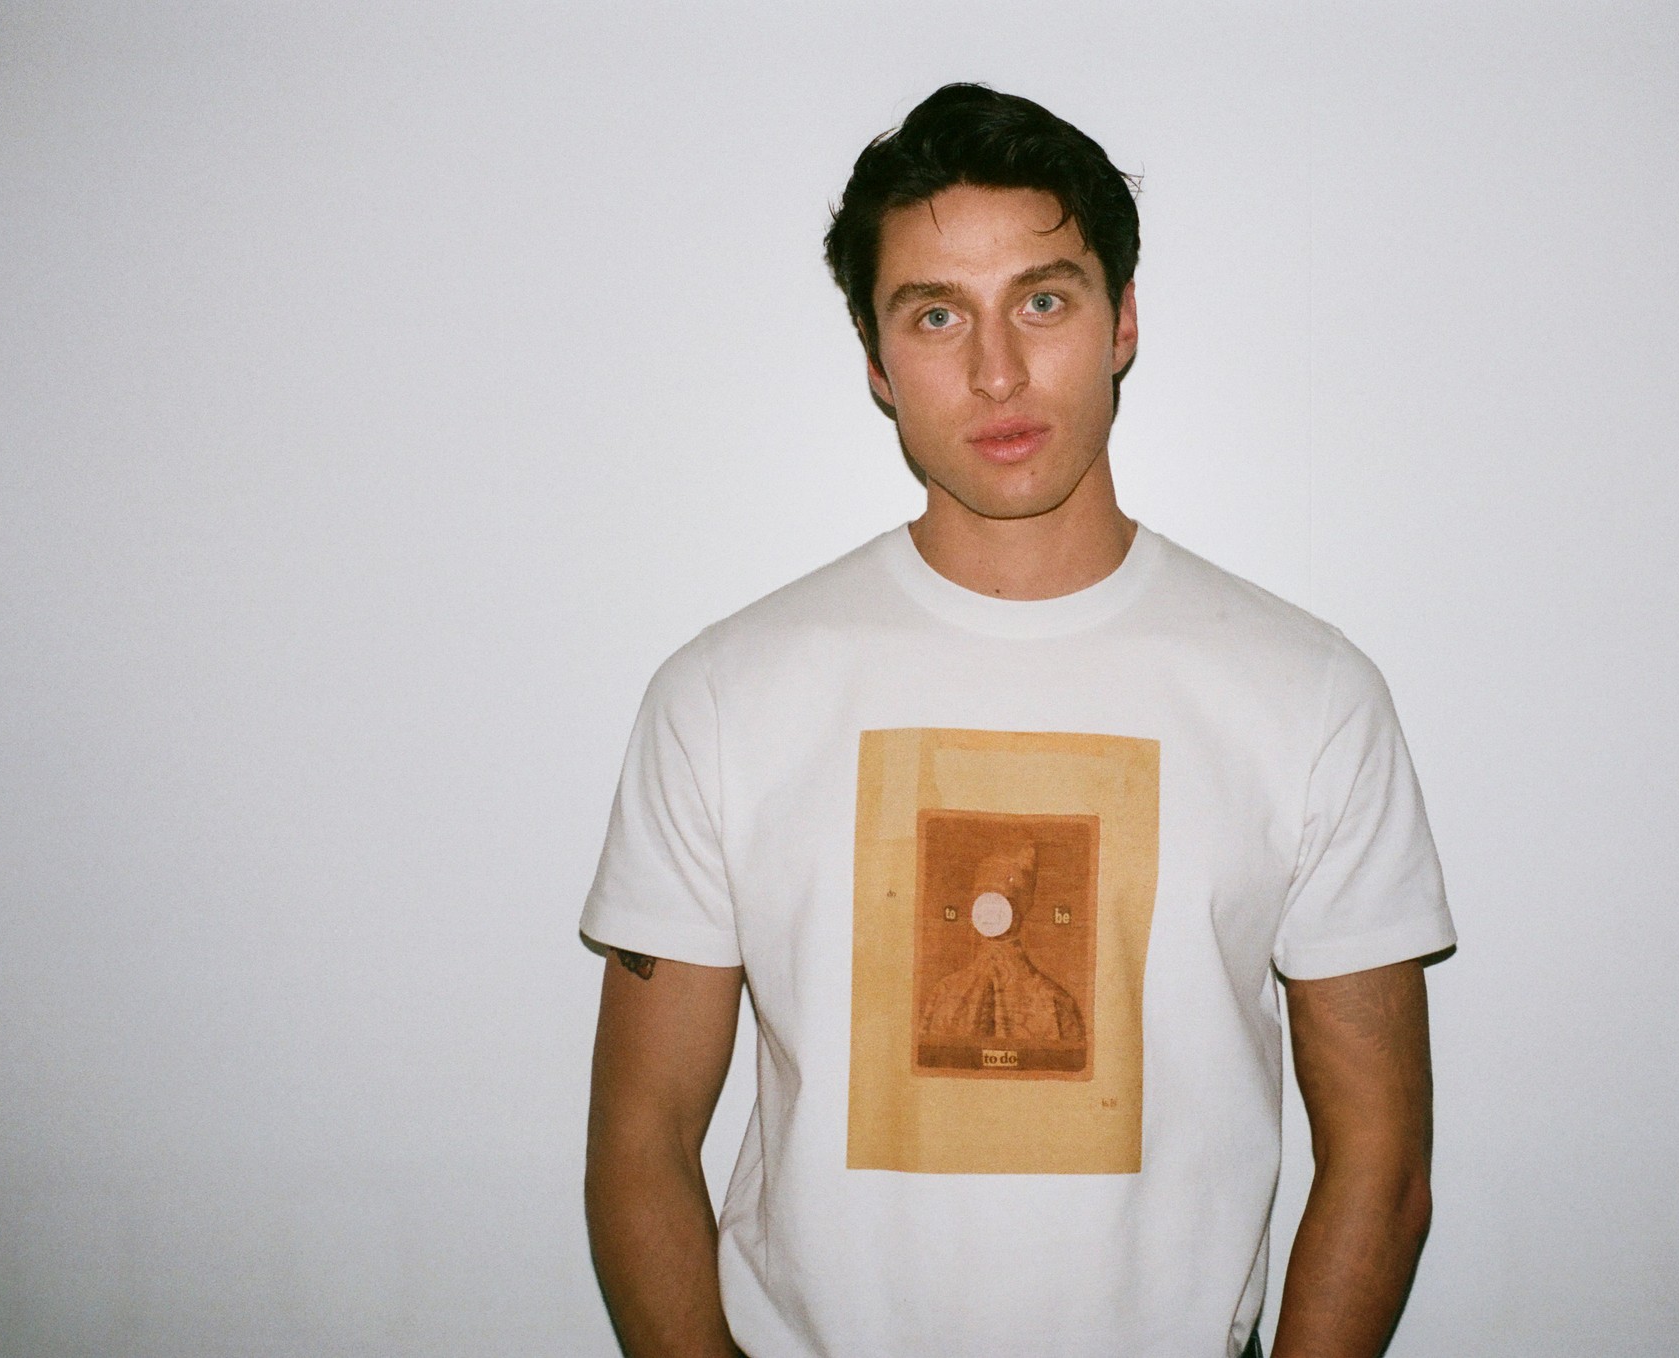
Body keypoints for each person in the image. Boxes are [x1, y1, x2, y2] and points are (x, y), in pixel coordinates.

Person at [582, 83, 1455, 1358]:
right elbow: (639, 1141)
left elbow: (1381, 1160)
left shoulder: (1307, 694)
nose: (996, 370)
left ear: (1121, 321)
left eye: (1041, 301)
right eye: (936, 314)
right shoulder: (721, 696)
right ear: (876, 362)